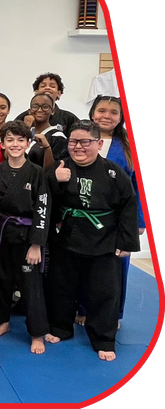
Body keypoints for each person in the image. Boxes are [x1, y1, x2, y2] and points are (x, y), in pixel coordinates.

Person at [44, 120, 140, 362]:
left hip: (103, 240)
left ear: (98, 143)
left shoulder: (113, 172)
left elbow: (128, 206)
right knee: (61, 286)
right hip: (66, 237)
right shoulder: (61, 167)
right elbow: (44, 199)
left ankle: (104, 339)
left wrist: (127, 242)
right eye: (73, 142)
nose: (78, 147)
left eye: (85, 142)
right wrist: (54, 179)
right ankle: (60, 327)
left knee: (104, 291)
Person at [81, 95, 146, 326]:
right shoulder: (81, 139)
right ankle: (83, 309)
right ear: (92, 113)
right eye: (101, 110)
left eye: (113, 112)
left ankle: (114, 313)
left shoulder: (129, 145)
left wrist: (139, 221)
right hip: (85, 214)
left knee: (117, 266)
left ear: (121, 117)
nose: (106, 116)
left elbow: (139, 187)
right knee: (84, 264)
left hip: (119, 218)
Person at [0, 121, 50, 355]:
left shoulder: (36, 172)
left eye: (20, 140)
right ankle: (3, 322)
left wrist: (36, 244)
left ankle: (37, 333)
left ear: (28, 143)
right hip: (3, 233)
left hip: (27, 236)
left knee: (31, 285)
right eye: (10, 140)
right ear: (2, 144)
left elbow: (43, 209)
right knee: (2, 279)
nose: (15, 145)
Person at [14, 73, 79, 133]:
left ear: (59, 93)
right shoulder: (23, 117)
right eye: (43, 86)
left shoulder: (69, 118)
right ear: (36, 92)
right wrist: (25, 128)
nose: (47, 88)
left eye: (52, 86)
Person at [23, 92, 68, 169]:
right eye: (35, 106)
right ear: (29, 111)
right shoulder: (26, 132)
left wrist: (47, 148)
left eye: (45, 106)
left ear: (52, 111)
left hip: (40, 179)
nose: (39, 110)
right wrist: (24, 129)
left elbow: (55, 168)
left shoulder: (57, 137)